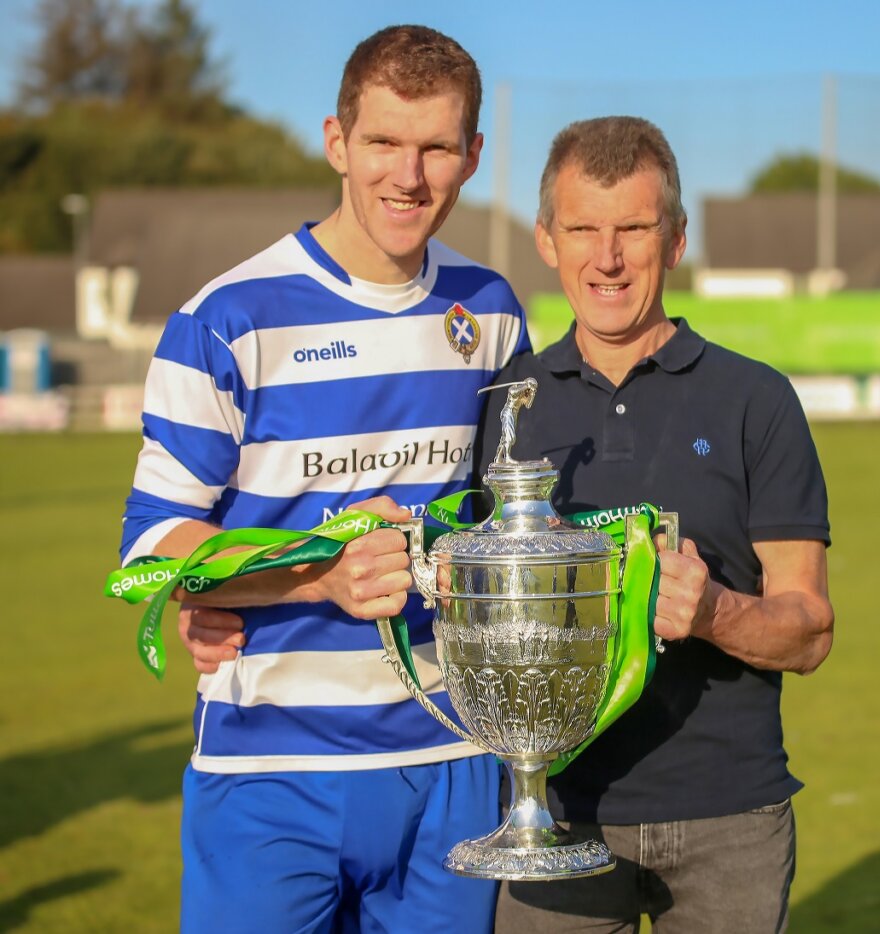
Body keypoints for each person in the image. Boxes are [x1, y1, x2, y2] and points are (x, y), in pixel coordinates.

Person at [121, 25, 529, 934]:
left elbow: (507, 521)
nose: (409, 176)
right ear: (336, 141)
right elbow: (152, 555)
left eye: (436, 148)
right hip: (269, 773)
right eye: (384, 142)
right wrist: (309, 576)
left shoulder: (493, 311)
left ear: (473, 156)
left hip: (456, 761)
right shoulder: (228, 319)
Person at [472, 116, 834, 932]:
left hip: (728, 818)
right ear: (545, 238)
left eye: (633, 229)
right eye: (583, 229)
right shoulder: (502, 408)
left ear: (674, 241)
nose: (607, 258)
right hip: (552, 815)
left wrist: (713, 613)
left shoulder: (756, 400)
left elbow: (810, 630)